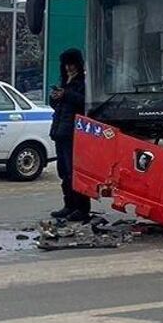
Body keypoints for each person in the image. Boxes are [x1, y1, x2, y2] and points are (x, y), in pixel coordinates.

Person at [49, 47, 90, 221]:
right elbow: (58, 107)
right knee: (63, 172)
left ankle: (81, 208)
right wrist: (56, 97)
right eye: (66, 65)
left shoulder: (84, 82)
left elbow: (84, 102)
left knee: (74, 172)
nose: (68, 68)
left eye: (71, 65)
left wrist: (66, 94)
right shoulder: (65, 81)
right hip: (61, 131)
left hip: (74, 133)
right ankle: (69, 205)